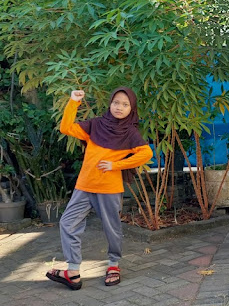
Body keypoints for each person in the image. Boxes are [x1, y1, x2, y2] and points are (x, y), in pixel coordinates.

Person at [45, 87, 153, 289]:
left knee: (112, 228)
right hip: (84, 186)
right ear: (110, 103)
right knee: (68, 223)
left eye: (125, 104)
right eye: (116, 102)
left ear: (132, 108)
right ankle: (73, 270)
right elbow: (66, 128)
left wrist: (116, 165)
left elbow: (146, 153)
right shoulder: (95, 125)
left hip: (109, 188)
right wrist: (73, 102)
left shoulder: (130, 132)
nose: (119, 107)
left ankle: (113, 265)